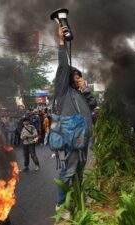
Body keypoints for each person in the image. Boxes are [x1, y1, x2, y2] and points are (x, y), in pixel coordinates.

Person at [53, 25, 95, 210]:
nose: (78, 78)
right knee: (68, 171)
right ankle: (61, 205)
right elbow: (63, 67)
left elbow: (93, 105)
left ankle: (77, 198)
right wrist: (61, 42)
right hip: (71, 139)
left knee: (79, 170)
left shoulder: (80, 94)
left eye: (80, 76)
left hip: (83, 139)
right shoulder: (64, 92)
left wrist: (85, 89)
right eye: (75, 76)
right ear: (68, 79)